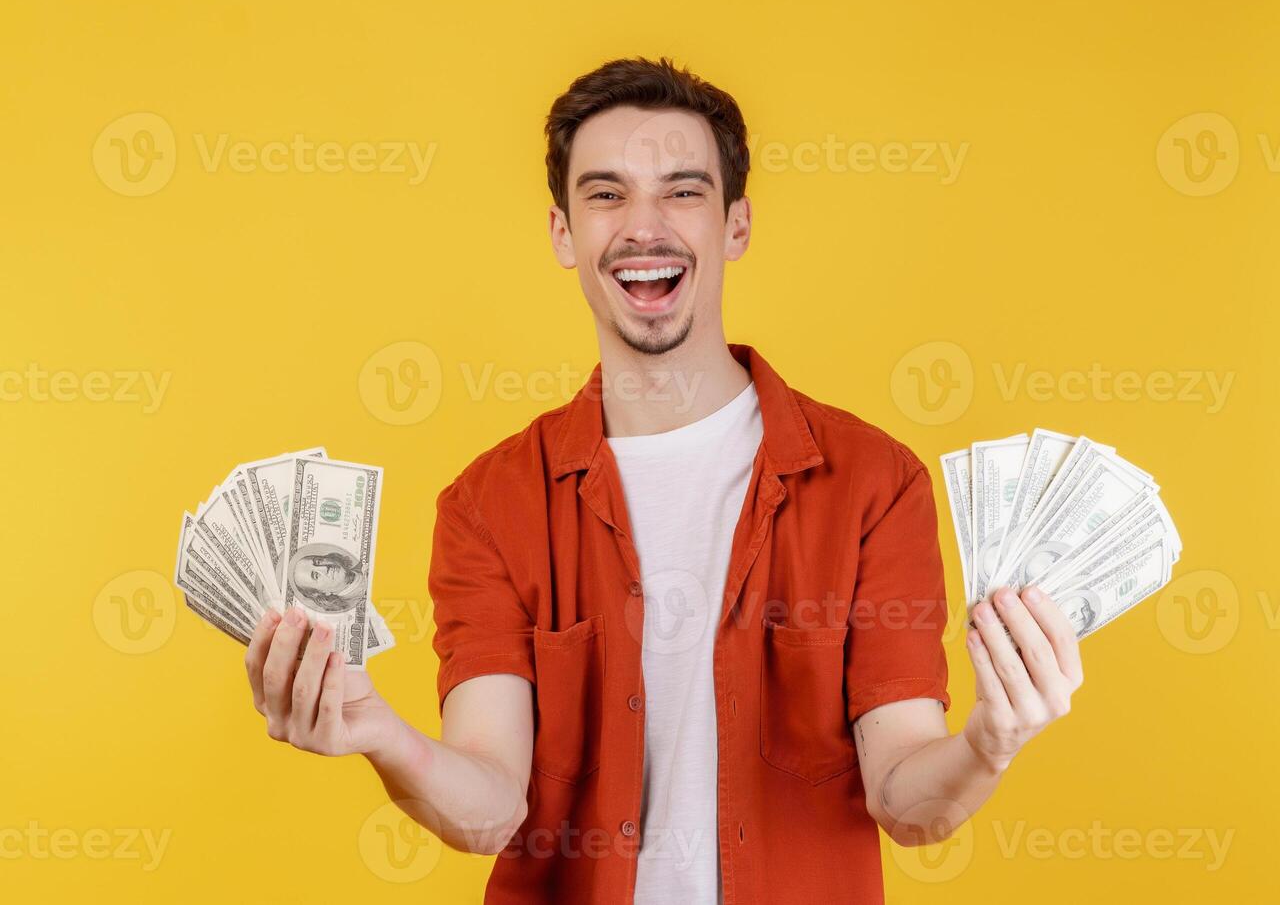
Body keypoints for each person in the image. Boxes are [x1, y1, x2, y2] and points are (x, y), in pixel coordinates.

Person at [243, 56, 1084, 904]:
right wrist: (381, 734)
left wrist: (990, 739)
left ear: (737, 224)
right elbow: (491, 806)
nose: (644, 227)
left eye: (682, 191)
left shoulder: (872, 483)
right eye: (606, 194)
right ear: (564, 233)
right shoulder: (488, 506)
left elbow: (906, 796)